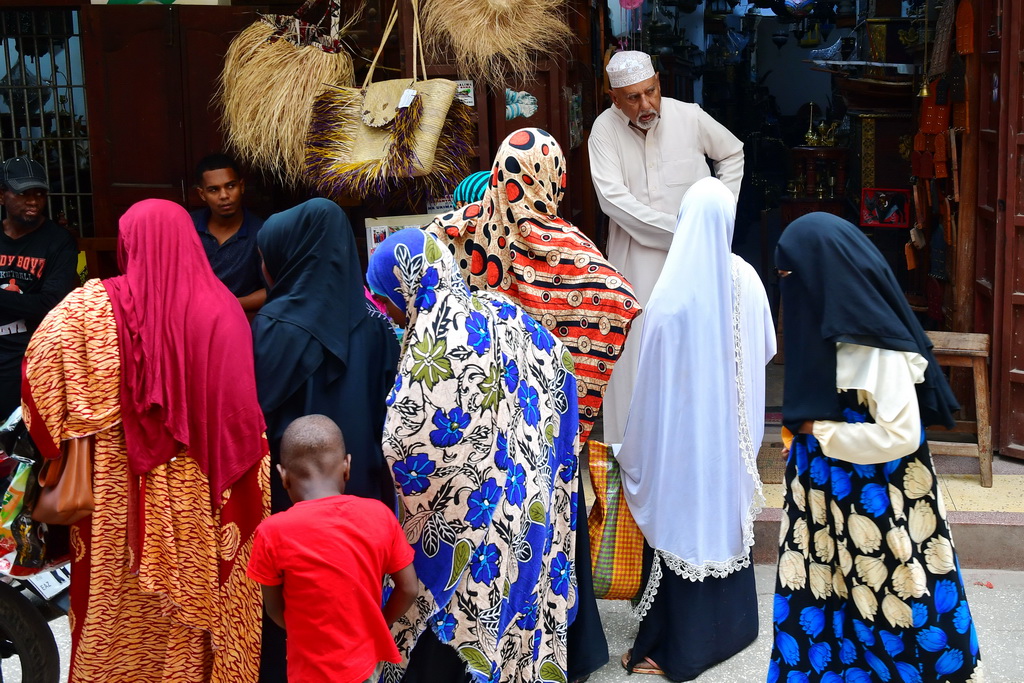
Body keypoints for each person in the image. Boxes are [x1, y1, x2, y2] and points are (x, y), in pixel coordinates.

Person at [22, 198, 269, 682]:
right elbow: (241, 426)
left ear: (126, 244)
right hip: (202, 496)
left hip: (114, 498)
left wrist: (68, 442)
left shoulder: (88, 308)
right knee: (194, 620)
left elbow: (38, 380)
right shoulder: (222, 310)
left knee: (113, 609)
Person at [769, 212, 981, 682]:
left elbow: (900, 436)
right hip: (823, 497)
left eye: (790, 276)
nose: (786, 289)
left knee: (890, 602)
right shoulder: (825, 334)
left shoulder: (878, 347)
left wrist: (819, 433)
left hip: (878, 502)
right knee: (818, 599)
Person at [368, 228, 581, 683]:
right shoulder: (503, 313)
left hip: (465, 524)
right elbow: (559, 366)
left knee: (448, 645)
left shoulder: (436, 343)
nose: (385, 309)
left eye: (385, 296)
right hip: (523, 508)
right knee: (507, 619)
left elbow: (407, 442)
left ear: (408, 285)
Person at [616, 177, 775, 680]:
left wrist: (635, 446)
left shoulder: (672, 293)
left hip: (687, 443)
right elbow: (767, 347)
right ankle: (733, 627)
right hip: (732, 441)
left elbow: (654, 383)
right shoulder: (747, 277)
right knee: (724, 521)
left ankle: (677, 648)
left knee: (685, 524)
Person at [252, 198, 401, 680]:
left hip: (290, 499)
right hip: (359, 491)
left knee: (293, 595)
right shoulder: (379, 326)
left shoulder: (272, 328)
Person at [429, 127, 641, 445]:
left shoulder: (452, 230)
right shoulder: (567, 246)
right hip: (541, 414)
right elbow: (621, 299)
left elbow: (409, 278)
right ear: (554, 177)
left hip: (468, 407)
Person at [588, 50, 744, 443]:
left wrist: (717, 216)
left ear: (659, 82)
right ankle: (635, 456)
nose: (646, 104)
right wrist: (685, 229)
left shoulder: (688, 116)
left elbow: (732, 152)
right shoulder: (603, 131)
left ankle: (697, 448)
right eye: (633, 97)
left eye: (651, 91)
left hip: (697, 263)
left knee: (695, 353)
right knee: (638, 358)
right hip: (635, 265)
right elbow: (612, 199)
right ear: (613, 97)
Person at [247, 414, 417, 683]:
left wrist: (308, 635)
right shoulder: (380, 516)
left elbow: (275, 610)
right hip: (364, 665)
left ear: (282, 476)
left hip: (308, 669)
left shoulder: (271, 532)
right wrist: (375, 625)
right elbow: (408, 588)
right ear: (347, 466)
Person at [0, 156, 77, 419]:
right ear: (2, 196)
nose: (33, 201)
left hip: (30, 351)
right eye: (23, 194)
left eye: (39, 194)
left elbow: (52, 303)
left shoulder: (58, 241)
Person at [192, 153, 266, 314]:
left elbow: (272, 289)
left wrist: (225, 305)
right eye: (213, 190)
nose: (224, 195)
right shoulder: (188, 226)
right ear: (202, 194)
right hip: (192, 319)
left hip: (239, 321)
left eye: (230, 186)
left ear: (242, 186)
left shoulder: (261, 232)